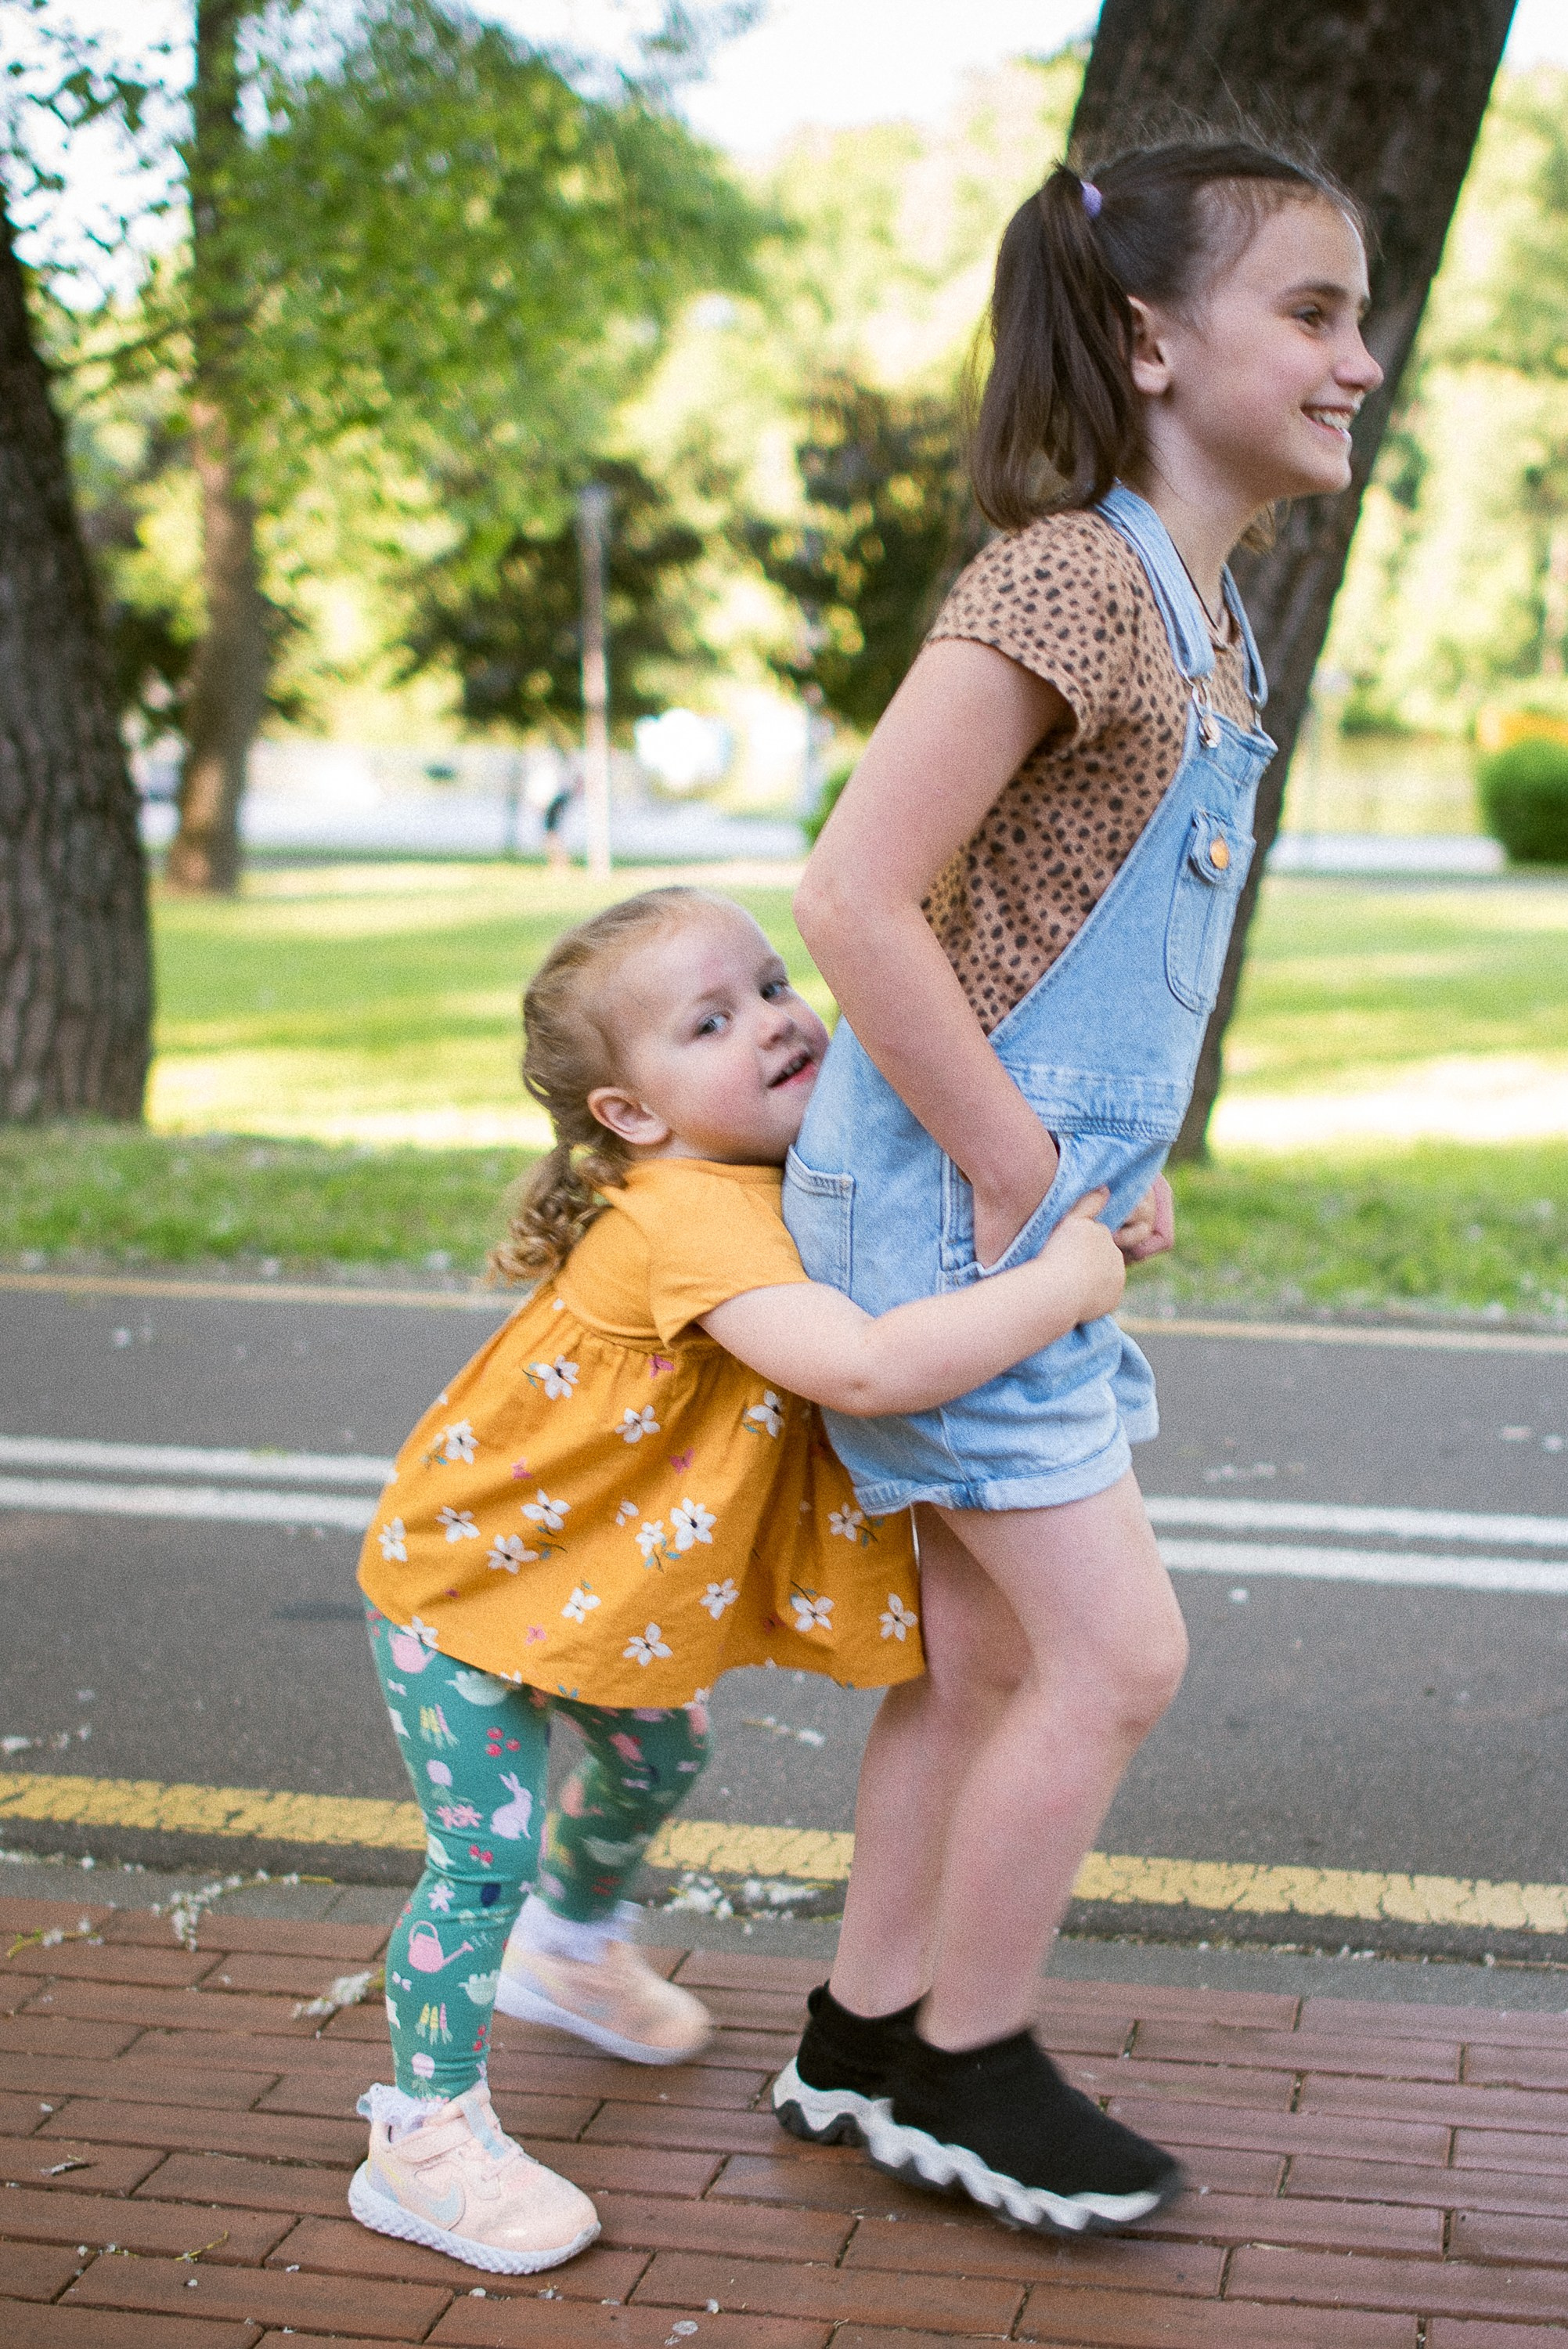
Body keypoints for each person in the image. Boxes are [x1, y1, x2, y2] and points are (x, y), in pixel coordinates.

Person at [775, 137, 1383, 2235]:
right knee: (1114, 1659)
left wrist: (1115, 1172)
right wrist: (1032, 1174)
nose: (1358, 362)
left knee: (983, 1665)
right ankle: (971, 2069)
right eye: (1311, 312)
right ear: (1148, 341)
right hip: (956, 1207)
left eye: (1359, 318)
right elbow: (855, 897)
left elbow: (1075, 938)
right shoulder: (1065, 582)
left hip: (1023, 1202)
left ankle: (860, 2036)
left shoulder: (1208, 620)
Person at [348, 883, 1140, 2278]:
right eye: (709, 1022)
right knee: (481, 1857)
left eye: (773, 985)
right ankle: (422, 2133)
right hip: (465, 1587)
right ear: (631, 1116)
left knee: (659, 1753)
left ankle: (568, 1948)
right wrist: (1069, 1278)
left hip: (588, 1587)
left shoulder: (777, 1169)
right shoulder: (688, 1218)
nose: (774, 1021)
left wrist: (1085, 1198)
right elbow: (868, 1369)